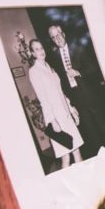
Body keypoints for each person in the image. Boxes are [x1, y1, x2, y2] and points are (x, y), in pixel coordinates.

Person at [47, 25, 105, 159]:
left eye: (59, 34)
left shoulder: (79, 48)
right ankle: (103, 162)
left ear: (64, 34)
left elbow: (95, 70)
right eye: (54, 37)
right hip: (77, 101)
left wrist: (78, 72)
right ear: (52, 40)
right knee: (92, 134)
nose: (57, 39)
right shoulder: (54, 58)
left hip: (93, 96)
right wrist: (70, 105)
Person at [28, 39, 84, 169]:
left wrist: (71, 108)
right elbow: (43, 98)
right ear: (32, 53)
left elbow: (60, 92)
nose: (41, 51)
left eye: (41, 48)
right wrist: (53, 121)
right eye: (36, 49)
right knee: (66, 157)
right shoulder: (34, 71)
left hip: (65, 115)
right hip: (56, 118)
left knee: (76, 150)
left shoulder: (49, 67)